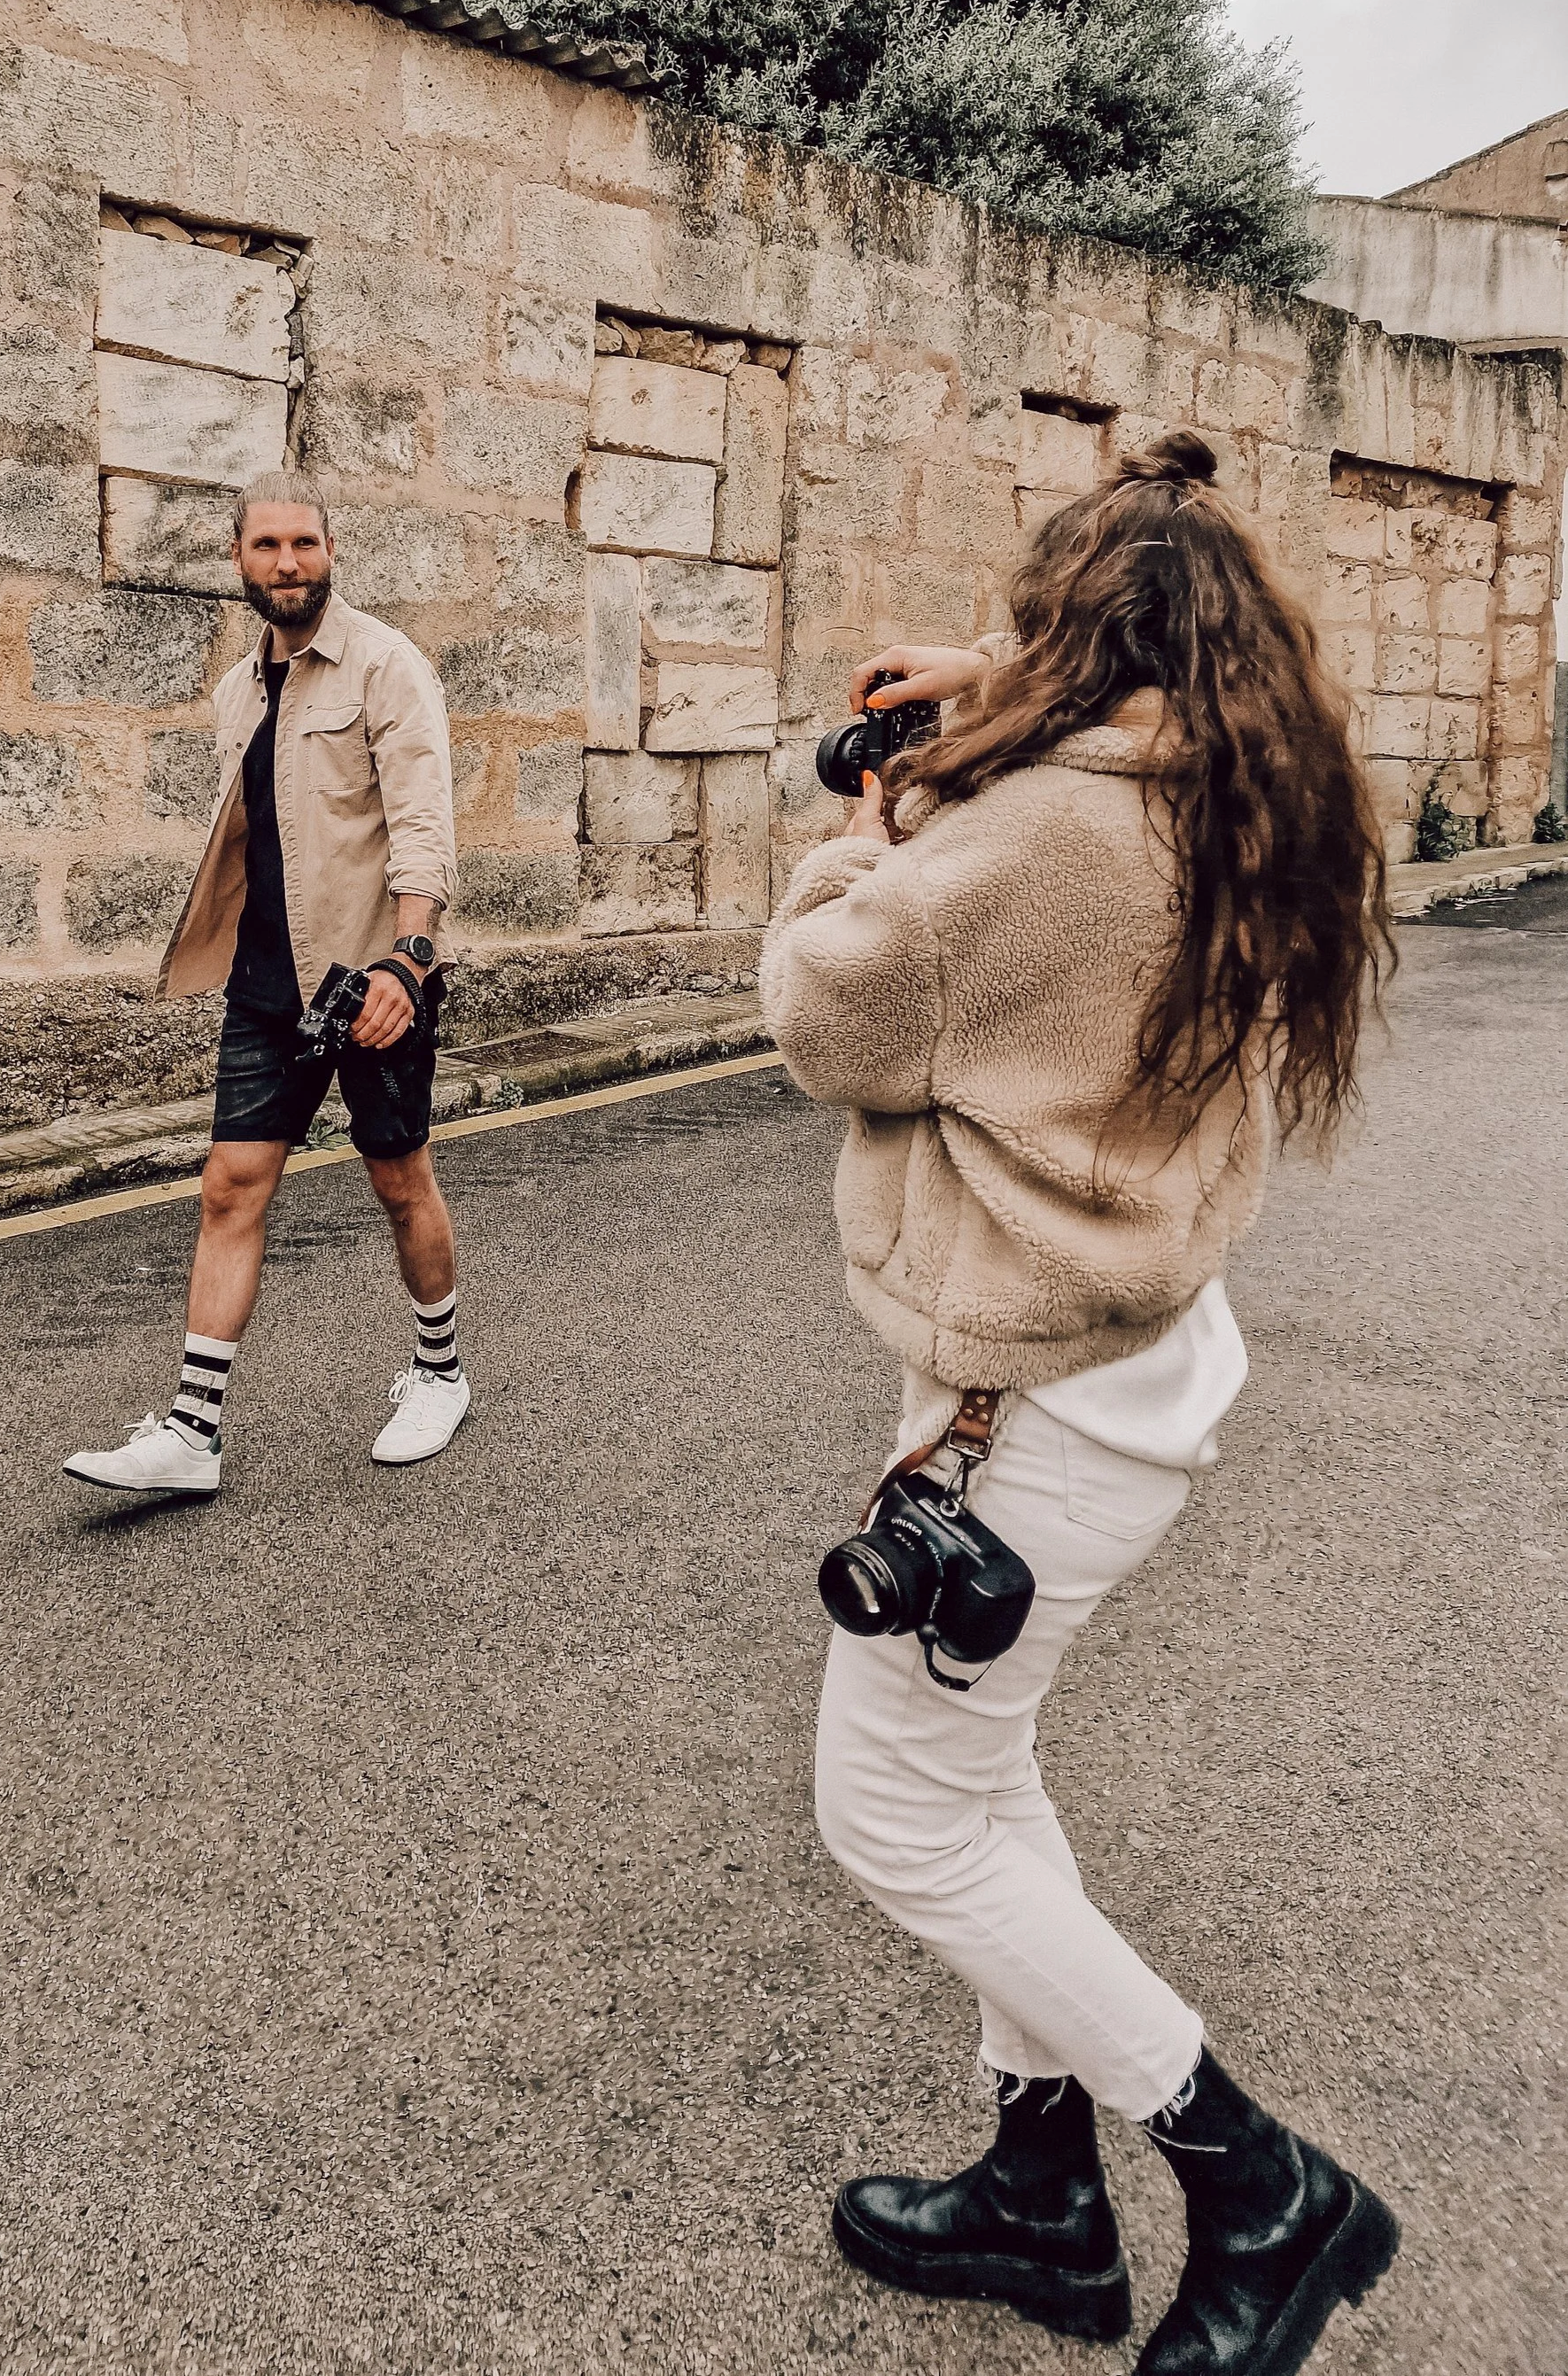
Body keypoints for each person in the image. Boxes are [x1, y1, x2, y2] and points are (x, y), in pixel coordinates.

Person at [760, 431, 1399, 2374]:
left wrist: (863, 830)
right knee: (986, 1777)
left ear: (1077, 640)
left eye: (1029, 626)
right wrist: (996, 685)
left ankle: (1256, 2182)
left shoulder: (1030, 842)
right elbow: (1080, 713)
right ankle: (1041, 2195)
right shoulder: (1232, 784)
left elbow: (825, 1010)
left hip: (1029, 1407)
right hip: (1118, 1352)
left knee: (896, 1817)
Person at [66, 471, 470, 1495]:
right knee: (229, 1187)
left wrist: (409, 959)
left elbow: (422, 823)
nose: (287, 563)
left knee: (397, 1179)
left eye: (304, 544)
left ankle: (439, 1372)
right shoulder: (237, 691)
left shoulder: (386, 666)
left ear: (331, 550)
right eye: (267, 547)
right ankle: (193, 1431)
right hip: (266, 981)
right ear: (238, 561)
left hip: (370, 979)